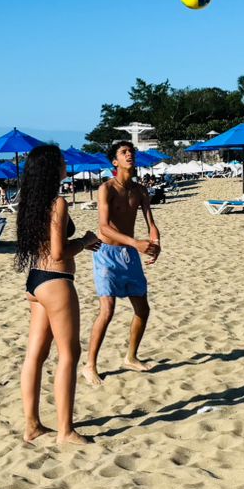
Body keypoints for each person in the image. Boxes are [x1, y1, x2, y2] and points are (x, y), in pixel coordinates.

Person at [13, 144, 100, 445]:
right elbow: (59, 252)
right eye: (62, 161)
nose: (66, 164)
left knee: (35, 355)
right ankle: (65, 430)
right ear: (52, 168)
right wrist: (86, 241)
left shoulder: (30, 202)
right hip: (56, 281)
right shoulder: (57, 202)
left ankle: (32, 426)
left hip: (36, 281)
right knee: (69, 354)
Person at [85, 141, 161, 383]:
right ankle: (90, 365)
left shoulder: (140, 190)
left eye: (131, 152)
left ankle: (131, 357)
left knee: (143, 309)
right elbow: (104, 227)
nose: (130, 155)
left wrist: (155, 242)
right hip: (106, 253)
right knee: (107, 310)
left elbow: (151, 222)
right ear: (115, 162)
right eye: (124, 152)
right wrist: (135, 243)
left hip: (129, 254)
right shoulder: (106, 188)